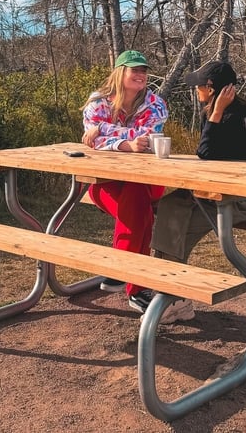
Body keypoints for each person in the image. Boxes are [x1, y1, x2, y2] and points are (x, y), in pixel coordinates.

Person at [149, 60, 246, 324]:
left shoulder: (244, 117)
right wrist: (214, 114)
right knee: (171, 206)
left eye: (199, 86)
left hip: (242, 200)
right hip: (213, 195)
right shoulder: (210, 113)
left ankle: (172, 296)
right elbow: (208, 159)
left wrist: (216, 114)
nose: (196, 91)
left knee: (176, 223)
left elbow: (205, 153)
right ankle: (171, 294)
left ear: (211, 89)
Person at [82, 49, 168, 313]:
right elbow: (91, 140)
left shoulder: (156, 103)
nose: (141, 74)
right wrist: (126, 144)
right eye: (135, 69)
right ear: (121, 72)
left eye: (143, 70)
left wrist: (107, 130)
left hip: (149, 181)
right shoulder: (97, 103)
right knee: (140, 215)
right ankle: (138, 290)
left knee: (136, 197)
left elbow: (147, 137)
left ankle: (120, 268)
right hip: (104, 182)